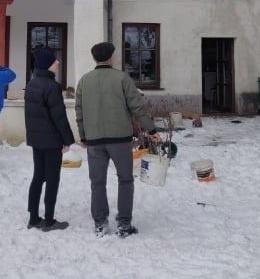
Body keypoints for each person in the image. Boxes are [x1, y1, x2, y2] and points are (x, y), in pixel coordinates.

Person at [75, 41, 160, 238]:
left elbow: (79, 111)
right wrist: (151, 129)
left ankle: (100, 223)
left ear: (94, 58)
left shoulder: (84, 81)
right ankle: (124, 224)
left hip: (95, 139)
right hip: (120, 139)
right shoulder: (122, 78)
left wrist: (83, 135)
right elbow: (137, 107)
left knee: (97, 181)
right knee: (125, 179)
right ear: (110, 58)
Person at [24, 48, 75, 232]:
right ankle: (49, 220)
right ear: (47, 64)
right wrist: (67, 140)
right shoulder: (52, 87)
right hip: (52, 141)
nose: (58, 63)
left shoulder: (31, 84)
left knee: (38, 176)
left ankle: (33, 217)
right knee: (52, 179)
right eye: (55, 61)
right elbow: (59, 117)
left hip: (37, 140)